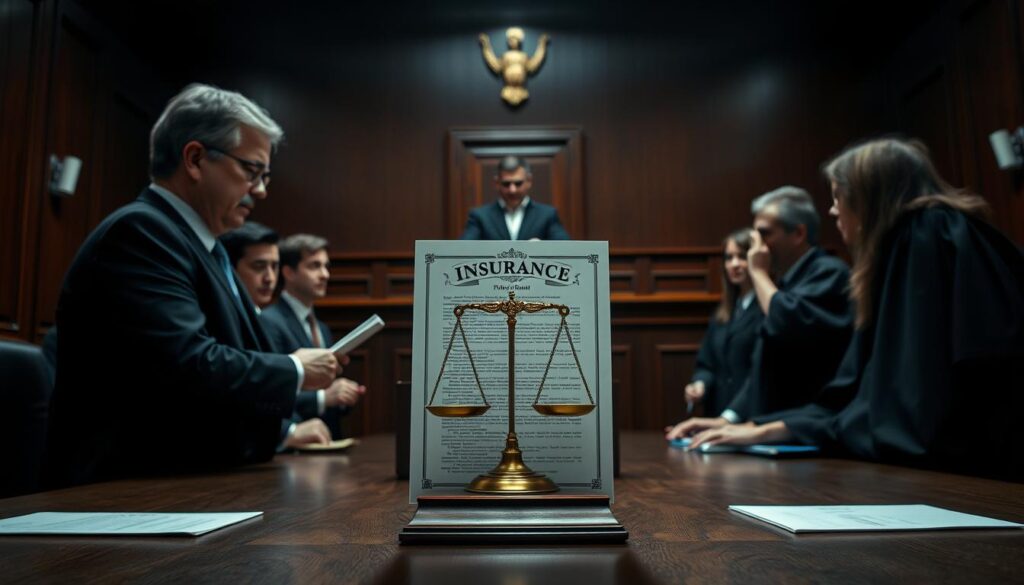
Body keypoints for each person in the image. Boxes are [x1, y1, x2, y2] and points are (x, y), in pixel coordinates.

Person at [43, 84, 340, 488]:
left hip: (191, 485)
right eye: (251, 171)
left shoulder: (205, 247)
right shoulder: (142, 232)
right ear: (196, 159)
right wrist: (294, 369)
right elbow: (186, 364)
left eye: (264, 175)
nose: (261, 190)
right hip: (123, 498)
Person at [685, 138, 1024, 480]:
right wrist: (766, 428)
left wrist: (777, 429)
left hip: (960, 476)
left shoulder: (927, 234)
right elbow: (855, 393)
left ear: (868, 198)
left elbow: (915, 406)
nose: (832, 211)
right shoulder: (908, 244)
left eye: (837, 197)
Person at [667, 186, 852, 439]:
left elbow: (784, 324)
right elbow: (762, 370)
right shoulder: (787, 285)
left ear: (798, 233)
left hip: (809, 432)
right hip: (775, 427)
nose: (757, 248)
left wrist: (758, 273)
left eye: (764, 235)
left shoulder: (828, 273)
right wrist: (726, 421)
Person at [219, 223, 338, 449]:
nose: (269, 278)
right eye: (259, 267)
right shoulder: (264, 320)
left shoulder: (257, 317)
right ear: (231, 270)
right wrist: (288, 431)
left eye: (274, 267)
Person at [260, 233, 366, 439]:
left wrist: (343, 395)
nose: (325, 274)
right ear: (289, 272)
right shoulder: (268, 321)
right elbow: (268, 393)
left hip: (326, 444)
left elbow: (326, 389)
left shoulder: (322, 328)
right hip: (290, 449)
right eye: (314, 266)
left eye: (326, 266)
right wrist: (323, 398)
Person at [681, 228, 763, 417]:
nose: (734, 264)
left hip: (751, 416)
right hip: (719, 414)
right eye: (728, 257)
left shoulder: (767, 308)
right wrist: (700, 384)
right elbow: (707, 364)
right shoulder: (724, 312)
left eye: (742, 256)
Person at [459, 155, 570, 240]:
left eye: (518, 183)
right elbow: (462, 251)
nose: (512, 190)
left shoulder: (547, 215)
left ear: (529, 181)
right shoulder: (480, 217)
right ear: (497, 183)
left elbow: (567, 249)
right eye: (506, 184)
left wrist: (542, 248)